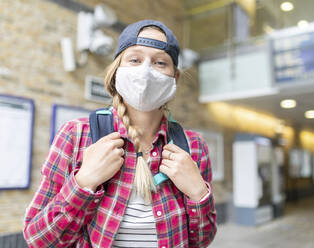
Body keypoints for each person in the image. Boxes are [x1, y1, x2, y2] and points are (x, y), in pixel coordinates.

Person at [23, 19, 217, 248]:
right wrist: (84, 182)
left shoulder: (193, 146)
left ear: (174, 78)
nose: (145, 71)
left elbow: (202, 240)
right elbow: (37, 239)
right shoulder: (76, 135)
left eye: (160, 62)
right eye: (134, 59)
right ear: (117, 71)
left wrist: (198, 192)